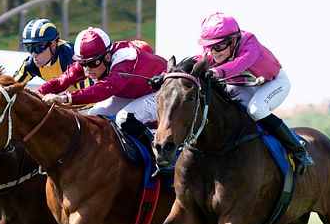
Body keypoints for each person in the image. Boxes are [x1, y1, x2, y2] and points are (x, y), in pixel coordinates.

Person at [195, 12, 313, 175]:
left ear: (234, 40)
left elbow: (239, 64)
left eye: (218, 46)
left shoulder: (250, 43)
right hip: (244, 85)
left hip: (273, 83)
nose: (213, 51)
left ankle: (298, 149)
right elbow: (198, 60)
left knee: (256, 110)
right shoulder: (215, 50)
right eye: (209, 45)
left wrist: (217, 72)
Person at [37, 27, 166, 140]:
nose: (88, 70)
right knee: (94, 116)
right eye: (83, 64)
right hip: (135, 92)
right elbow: (62, 80)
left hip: (162, 92)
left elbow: (105, 89)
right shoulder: (93, 59)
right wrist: (36, 93)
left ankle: (161, 158)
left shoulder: (125, 58)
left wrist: (66, 98)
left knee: (125, 118)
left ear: (108, 57)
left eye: (92, 64)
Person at [12, 18, 96, 110]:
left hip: (98, 102)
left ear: (53, 44)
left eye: (38, 48)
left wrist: (61, 102)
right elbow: (10, 87)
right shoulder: (31, 63)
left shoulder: (70, 57)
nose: (34, 54)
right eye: (29, 48)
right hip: (70, 102)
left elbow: (89, 99)